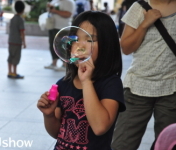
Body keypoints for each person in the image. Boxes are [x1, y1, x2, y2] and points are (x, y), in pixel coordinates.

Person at [37, 11, 126, 150]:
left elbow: (100, 127)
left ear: (108, 45)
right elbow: (57, 133)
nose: (81, 45)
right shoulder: (63, 83)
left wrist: (86, 82)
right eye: (76, 39)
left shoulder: (111, 84)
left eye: (90, 39)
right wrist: (48, 116)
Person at [111, 0, 176, 150]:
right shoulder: (139, 7)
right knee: (123, 143)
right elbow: (126, 48)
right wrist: (145, 23)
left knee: (167, 144)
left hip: (171, 88)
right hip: (137, 87)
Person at [44, 0, 76, 72]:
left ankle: (65, 64)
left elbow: (68, 14)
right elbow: (50, 11)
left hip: (63, 27)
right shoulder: (54, 1)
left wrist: (55, 11)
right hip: (52, 26)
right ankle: (54, 62)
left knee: (63, 46)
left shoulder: (69, 2)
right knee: (52, 45)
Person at [7, 1, 26, 79]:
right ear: (23, 9)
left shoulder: (12, 18)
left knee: (10, 56)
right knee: (16, 57)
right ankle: (14, 73)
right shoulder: (20, 20)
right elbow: (22, 32)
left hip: (11, 41)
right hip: (17, 42)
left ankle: (9, 72)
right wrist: (24, 42)